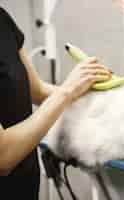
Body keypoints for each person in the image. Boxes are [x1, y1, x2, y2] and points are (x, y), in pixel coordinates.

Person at [0, 7, 112, 200]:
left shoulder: (2, 20)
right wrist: (68, 90)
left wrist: (88, 92)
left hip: (25, 185)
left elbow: (38, 90)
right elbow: (3, 155)